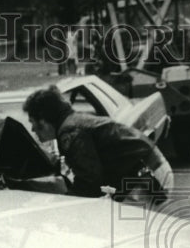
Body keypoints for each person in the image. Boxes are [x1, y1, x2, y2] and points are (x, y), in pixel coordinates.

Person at [23, 86, 173, 203]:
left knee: (129, 232)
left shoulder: (70, 131)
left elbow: (89, 182)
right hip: (145, 173)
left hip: (145, 178)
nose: (32, 129)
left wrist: (64, 203)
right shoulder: (74, 122)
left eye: (32, 122)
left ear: (43, 119)